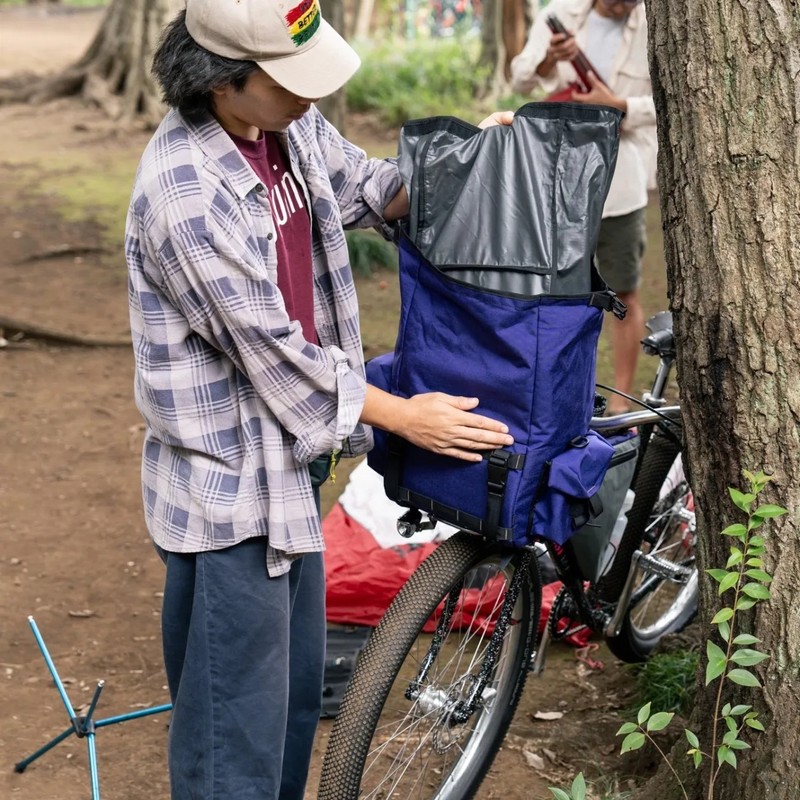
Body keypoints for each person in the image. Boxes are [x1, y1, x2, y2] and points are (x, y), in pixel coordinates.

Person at [124, 1, 514, 797]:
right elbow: (275, 354)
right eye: (290, 83)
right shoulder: (187, 194)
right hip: (229, 493)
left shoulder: (286, 130)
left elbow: (370, 189)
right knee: (233, 729)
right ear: (223, 83)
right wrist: (405, 415)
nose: (310, 99)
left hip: (289, 473)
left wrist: (470, 158)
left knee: (295, 699)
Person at [510, 0, 657, 414]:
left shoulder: (653, 25)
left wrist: (619, 105)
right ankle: (550, 395)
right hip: (558, 175)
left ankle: (619, 406)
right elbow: (520, 78)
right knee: (552, 289)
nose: (620, 5)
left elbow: (664, 101)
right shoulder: (564, 13)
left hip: (621, 178)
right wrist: (547, 63)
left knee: (622, 290)